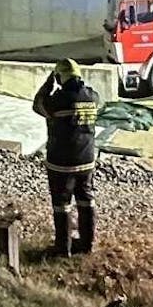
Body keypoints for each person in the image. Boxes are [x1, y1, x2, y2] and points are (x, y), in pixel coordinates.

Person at [33, 59, 101, 256]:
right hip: (87, 161)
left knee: (62, 205)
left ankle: (63, 248)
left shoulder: (57, 100)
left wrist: (48, 85)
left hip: (61, 163)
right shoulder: (92, 97)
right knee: (86, 200)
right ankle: (87, 244)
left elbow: (38, 105)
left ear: (59, 77)